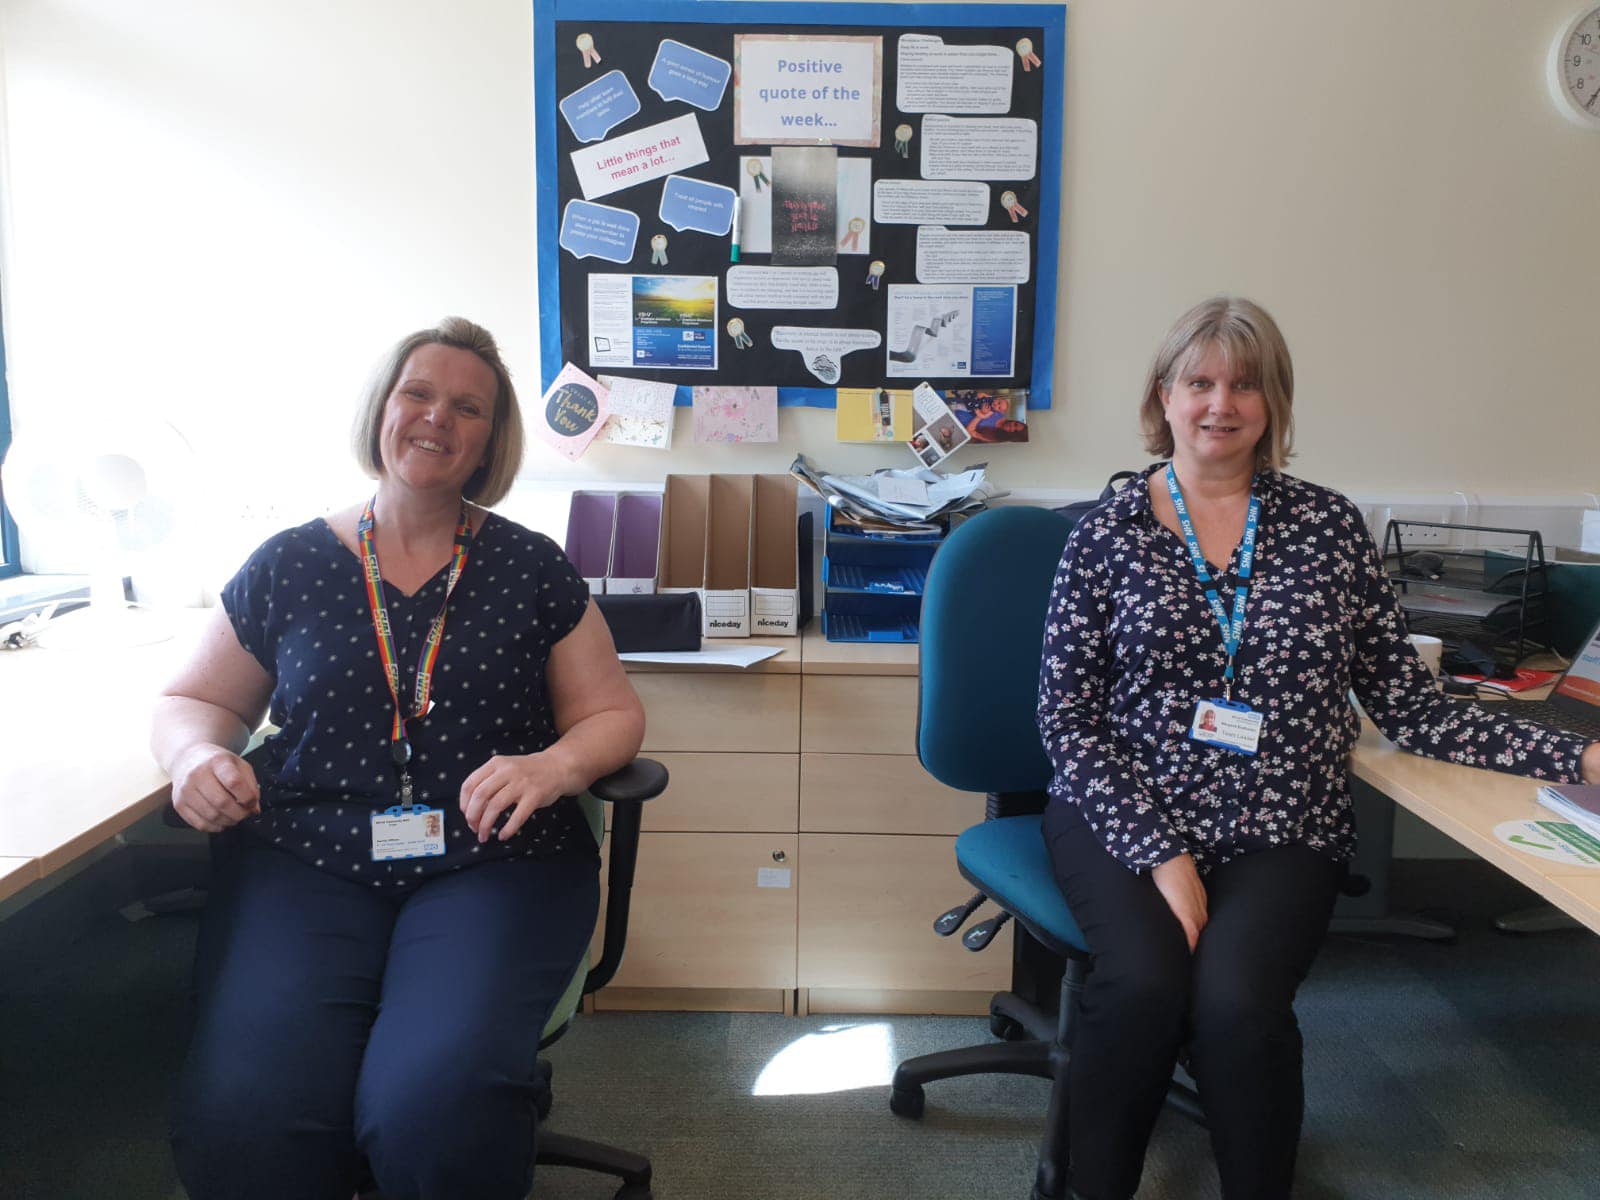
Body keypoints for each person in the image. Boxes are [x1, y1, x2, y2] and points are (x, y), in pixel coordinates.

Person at [1036, 296, 1600, 1200]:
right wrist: (1161, 854)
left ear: (1275, 404)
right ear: (1163, 396)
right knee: (1140, 987)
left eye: (1246, 385)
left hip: (1283, 818)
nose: (1221, 403)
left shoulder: (1329, 528)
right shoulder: (1104, 534)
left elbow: (1412, 708)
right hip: (1125, 809)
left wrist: (1579, 758)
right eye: (1199, 382)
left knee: (1236, 1006)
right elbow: (1068, 722)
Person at [153, 317, 645, 1200]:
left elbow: (612, 714)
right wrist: (192, 756)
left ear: (491, 440)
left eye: (468, 408)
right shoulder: (290, 563)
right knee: (247, 1114)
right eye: (418, 393)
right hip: (308, 858)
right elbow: (195, 701)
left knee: (436, 1106)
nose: (437, 418)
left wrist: (555, 768)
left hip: (493, 858)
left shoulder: (531, 567)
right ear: (382, 407)